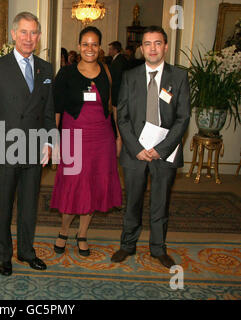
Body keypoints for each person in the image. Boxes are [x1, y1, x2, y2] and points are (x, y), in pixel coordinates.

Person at [0, 12, 56, 276]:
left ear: (39, 36)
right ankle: (4, 256)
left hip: (34, 147)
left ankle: (26, 252)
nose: (28, 38)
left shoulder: (46, 68)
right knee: (3, 206)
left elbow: (48, 110)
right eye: (23, 32)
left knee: (28, 206)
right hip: (4, 147)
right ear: (13, 34)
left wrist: (49, 143)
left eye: (33, 32)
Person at [111, 26, 190, 269]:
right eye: (147, 43)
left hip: (165, 153)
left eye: (157, 43)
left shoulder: (179, 77)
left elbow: (183, 118)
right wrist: (136, 148)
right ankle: (127, 245)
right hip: (136, 152)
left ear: (165, 47)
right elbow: (121, 117)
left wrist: (161, 149)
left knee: (160, 202)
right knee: (132, 200)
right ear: (141, 48)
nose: (152, 48)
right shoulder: (130, 76)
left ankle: (158, 248)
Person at [50, 26, 122, 257]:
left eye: (94, 44)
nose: (89, 49)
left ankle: (82, 234)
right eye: (85, 44)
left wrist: (118, 136)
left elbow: (114, 107)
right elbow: (57, 109)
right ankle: (63, 231)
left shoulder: (108, 72)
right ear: (79, 46)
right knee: (72, 186)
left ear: (100, 47)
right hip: (73, 137)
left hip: (102, 139)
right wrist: (54, 140)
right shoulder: (66, 73)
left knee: (92, 187)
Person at [108, 41, 129, 147]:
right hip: (119, 94)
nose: (109, 51)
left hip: (117, 95)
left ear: (115, 50)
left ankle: (119, 139)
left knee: (118, 119)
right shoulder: (121, 60)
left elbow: (115, 80)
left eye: (110, 49)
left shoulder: (118, 61)